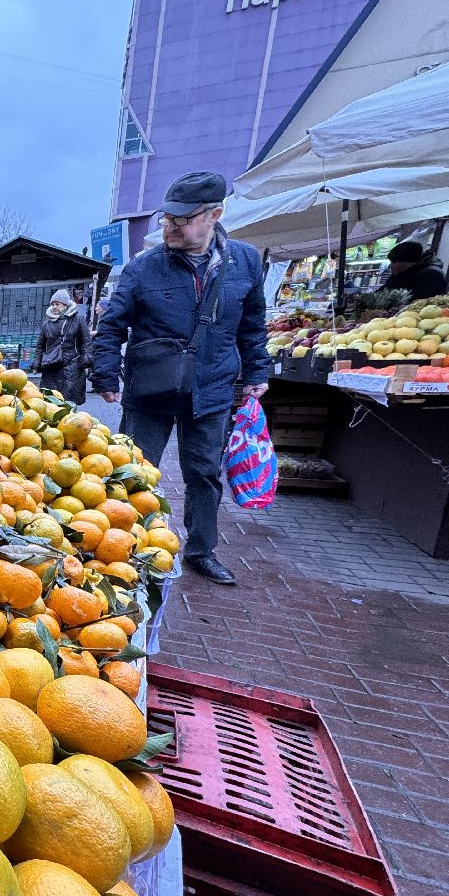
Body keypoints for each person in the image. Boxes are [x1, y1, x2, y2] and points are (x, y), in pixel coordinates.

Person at [92, 171, 269, 586]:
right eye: (166, 219)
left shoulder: (244, 262)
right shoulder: (144, 267)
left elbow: (252, 325)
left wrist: (258, 370)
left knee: (205, 473)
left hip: (212, 388)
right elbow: (112, 324)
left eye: (182, 220)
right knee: (133, 473)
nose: (169, 227)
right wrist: (105, 375)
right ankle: (126, 547)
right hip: (150, 390)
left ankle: (201, 551)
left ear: (214, 215)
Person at [34, 287, 90, 404]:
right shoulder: (46, 324)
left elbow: (86, 341)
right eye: (53, 304)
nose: (55, 306)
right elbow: (40, 346)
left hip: (71, 366)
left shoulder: (78, 320)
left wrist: (86, 360)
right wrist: (36, 363)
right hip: (51, 365)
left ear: (66, 305)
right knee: (49, 401)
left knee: (68, 401)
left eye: (58, 304)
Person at [381, 240, 449, 301]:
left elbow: (413, 299)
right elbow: (385, 289)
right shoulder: (403, 271)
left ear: (408, 262)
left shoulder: (433, 275)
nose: (391, 265)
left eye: (394, 262)